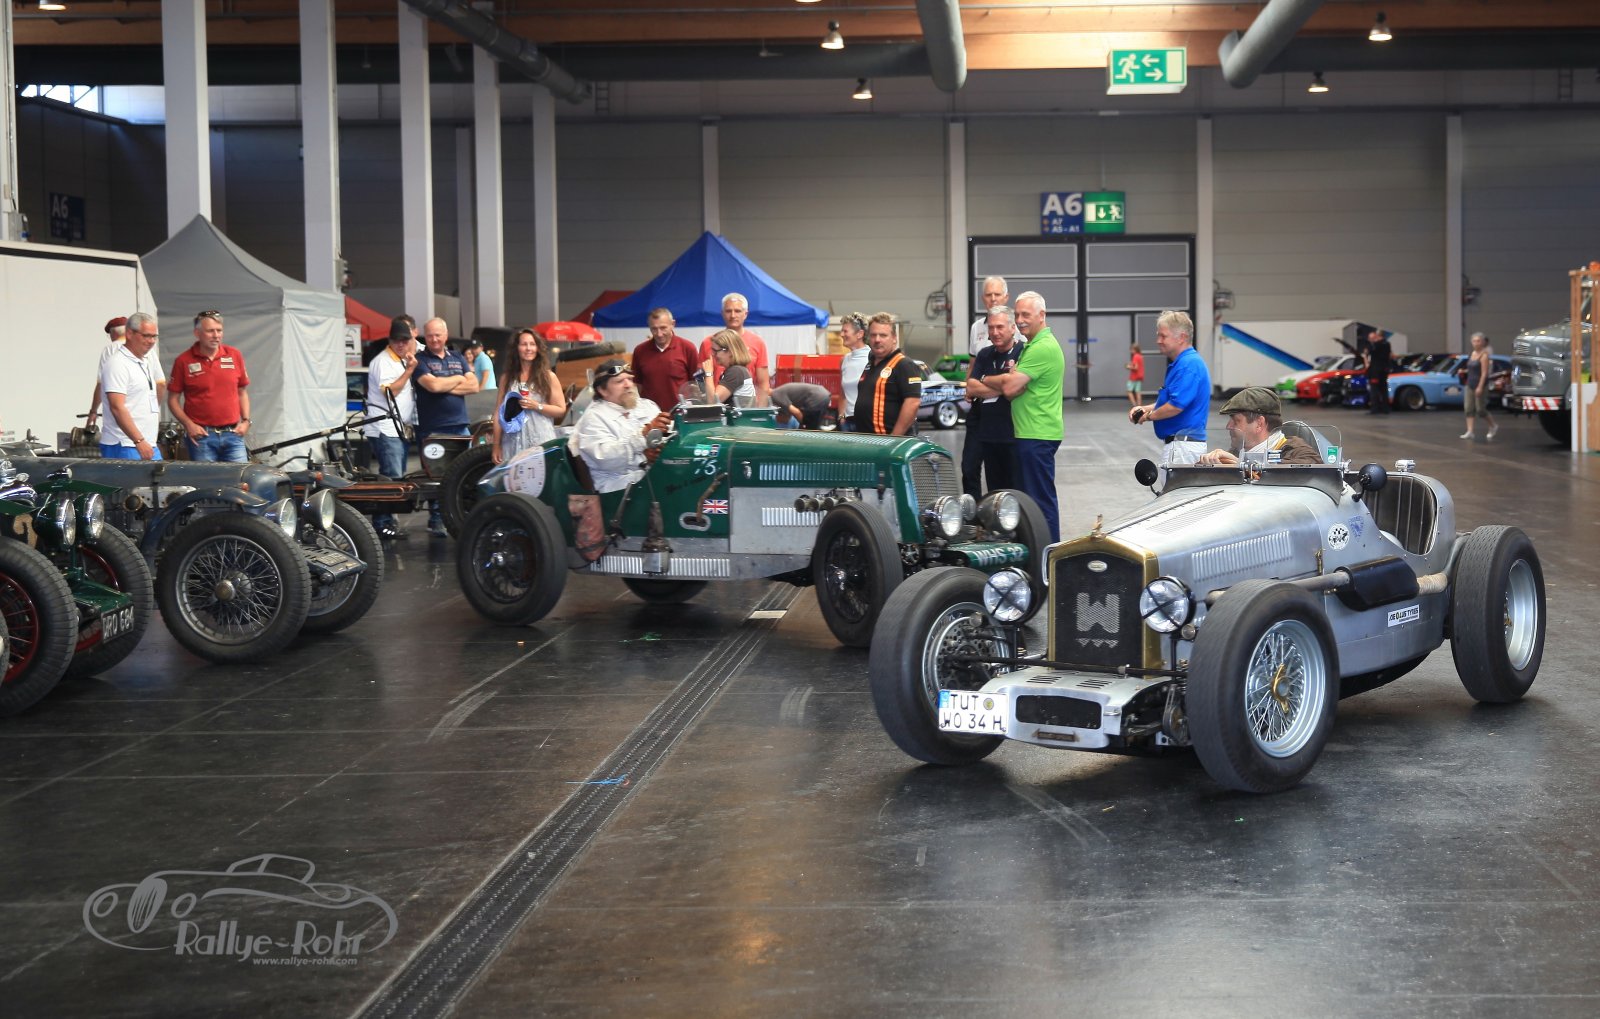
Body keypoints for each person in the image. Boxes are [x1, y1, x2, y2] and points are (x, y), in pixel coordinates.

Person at [985, 293, 1063, 542]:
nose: (1019, 320)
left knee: (1040, 504)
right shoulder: (1031, 345)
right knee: (1034, 502)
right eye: (1017, 314)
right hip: (1032, 433)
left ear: (1042, 315)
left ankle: (1048, 556)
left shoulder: (1041, 348)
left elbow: (1009, 389)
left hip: (1036, 434)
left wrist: (987, 379)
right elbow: (1011, 386)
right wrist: (1010, 379)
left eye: (1025, 314)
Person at [412, 318, 481, 536]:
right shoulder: (419, 360)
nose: (434, 339)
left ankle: (460, 515)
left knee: (465, 474)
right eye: (430, 335)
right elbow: (432, 386)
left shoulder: (458, 357)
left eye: (438, 335)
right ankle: (436, 521)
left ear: (446, 335)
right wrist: (458, 378)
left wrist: (444, 385)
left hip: (461, 427)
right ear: (425, 336)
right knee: (436, 477)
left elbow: (474, 386)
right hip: (433, 429)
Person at [569, 360, 670, 494]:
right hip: (619, 490)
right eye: (619, 381)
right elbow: (606, 459)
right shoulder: (594, 418)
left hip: (653, 479)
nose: (628, 385)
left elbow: (667, 440)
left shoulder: (647, 406)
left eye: (630, 379)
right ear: (602, 390)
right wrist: (644, 436)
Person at [1129, 310, 1211, 476]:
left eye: (1163, 336)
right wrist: (1145, 408)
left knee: (1177, 491)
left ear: (1181, 337)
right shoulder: (1182, 364)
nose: (1158, 341)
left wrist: (1149, 416)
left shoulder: (1188, 365)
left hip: (1183, 449)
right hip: (1181, 447)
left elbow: (1175, 406)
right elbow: (1170, 401)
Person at [166, 310, 252, 462]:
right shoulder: (183, 360)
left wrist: (246, 421)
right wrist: (188, 425)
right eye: (210, 331)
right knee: (208, 477)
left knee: (239, 476)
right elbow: (173, 400)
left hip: (233, 434)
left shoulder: (234, 355)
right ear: (197, 333)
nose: (216, 335)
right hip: (202, 436)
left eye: (219, 330)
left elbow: (242, 392)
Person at [364, 316, 420, 539]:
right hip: (385, 427)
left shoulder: (401, 359)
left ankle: (386, 521)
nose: (401, 344)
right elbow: (390, 392)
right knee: (391, 478)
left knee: (394, 476)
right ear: (390, 340)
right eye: (397, 340)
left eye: (405, 340)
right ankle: (382, 524)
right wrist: (409, 371)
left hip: (396, 427)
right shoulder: (383, 361)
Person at [963, 306, 1025, 493]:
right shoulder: (984, 354)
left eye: (1000, 327)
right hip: (988, 432)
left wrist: (985, 380)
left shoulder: (1023, 352)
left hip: (1013, 433)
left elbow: (1016, 389)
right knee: (994, 492)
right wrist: (1004, 383)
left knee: (1014, 490)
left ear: (1013, 328)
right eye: (991, 328)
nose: (995, 332)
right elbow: (971, 386)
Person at [492, 328, 567, 465]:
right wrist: (496, 444)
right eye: (524, 344)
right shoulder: (507, 378)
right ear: (517, 348)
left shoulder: (548, 377)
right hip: (512, 442)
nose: (528, 348)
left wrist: (537, 406)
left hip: (541, 442)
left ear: (538, 348)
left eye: (532, 344)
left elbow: (561, 409)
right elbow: (498, 412)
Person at [1196, 387, 1323, 466]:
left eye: (1236, 421)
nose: (1228, 426)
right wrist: (1208, 466)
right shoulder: (1236, 452)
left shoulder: (1297, 450)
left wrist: (1242, 465)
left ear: (1259, 424)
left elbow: (1314, 468)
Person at [98, 312, 164, 461]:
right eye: (146, 336)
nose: (151, 341)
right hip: (124, 443)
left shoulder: (145, 360)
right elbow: (117, 407)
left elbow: (161, 385)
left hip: (145, 443)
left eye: (154, 336)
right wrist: (138, 440)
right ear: (129, 334)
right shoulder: (117, 364)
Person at [87, 316, 166, 432]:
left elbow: (101, 384)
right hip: (146, 425)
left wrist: (93, 411)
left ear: (113, 334)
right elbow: (161, 384)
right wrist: (152, 410)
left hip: (121, 425)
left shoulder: (110, 350)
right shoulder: (149, 350)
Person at [853, 313, 922, 436]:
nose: (877, 340)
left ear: (894, 338)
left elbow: (913, 403)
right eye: (873, 335)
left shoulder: (904, 364)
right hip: (868, 440)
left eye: (883, 335)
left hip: (889, 441)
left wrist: (894, 438)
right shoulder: (870, 364)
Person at [698, 293, 770, 406]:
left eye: (737, 311)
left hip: (729, 406)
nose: (732, 315)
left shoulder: (757, 343)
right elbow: (700, 381)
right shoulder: (708, 342)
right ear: (722, 313)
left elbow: (763, 384)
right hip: (721, 406)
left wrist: (759, 412)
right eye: (728, 311)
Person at [631, 307, 700, 410]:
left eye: (663, 328)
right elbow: (637, 384)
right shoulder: (640, 351)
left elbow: (695, 384)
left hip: (680, 412)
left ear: (673, 324)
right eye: (654, 329)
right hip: (650, 414)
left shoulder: (688, 348)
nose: (659, 334)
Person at [1460, 331, 1497, 440]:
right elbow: (1472, 369)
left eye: (1478, 341)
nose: (1476, 343)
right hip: (1469, 384)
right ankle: (1470, 431)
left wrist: (1480, 387)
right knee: (1468, 408)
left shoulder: (1484, 355)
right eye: (1474, 341)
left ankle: (1493, 426)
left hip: (1480, 384)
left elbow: (1484, 373)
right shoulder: (1471, 354)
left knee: (1481, 410)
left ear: (1482, 342)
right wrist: (1464, 371)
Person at [703, 329, 756, 405]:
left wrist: (708, 374)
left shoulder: (736, 372)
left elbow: (713, 402)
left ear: (730, 351)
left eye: (716, 351)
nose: (712, 354)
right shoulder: (737, 370)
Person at [969, 276, 1018, 356]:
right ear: (983, 298)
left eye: (997, 294)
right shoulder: (976, 327)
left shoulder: (1018, 326)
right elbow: (973, 362)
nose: (993, 299)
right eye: (988, 295)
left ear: (1006, 297)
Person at [838, 312, 870, 432]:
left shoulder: (872, 358)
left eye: (845, 331)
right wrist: (841, 417)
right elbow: (843, 393)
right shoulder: (844, 360)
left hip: (866, 422)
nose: (841, 334)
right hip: (847, 423)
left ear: (859, 334)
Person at [1364, 328, 1392, 415]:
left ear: (1378, 336)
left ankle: (1375, 409)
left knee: (1374, 389)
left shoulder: (1375, 345)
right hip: (1385, 370)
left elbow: (1367, 352)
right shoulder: (1387, 344)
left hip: (1375, 371)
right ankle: (1385, 408)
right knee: (1384, 389)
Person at [1126, 341, 1145, 408]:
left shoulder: (1135, 356)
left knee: (1129, 391)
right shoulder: (1140, 356)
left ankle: (1134, 405)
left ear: (1134, 349)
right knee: (1138, 392)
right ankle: (1139, 406)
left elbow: (1136, 367)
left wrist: (1128, 367)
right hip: (1139, 377)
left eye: (1131, 350)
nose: (1130, 351)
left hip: (1133, 377)